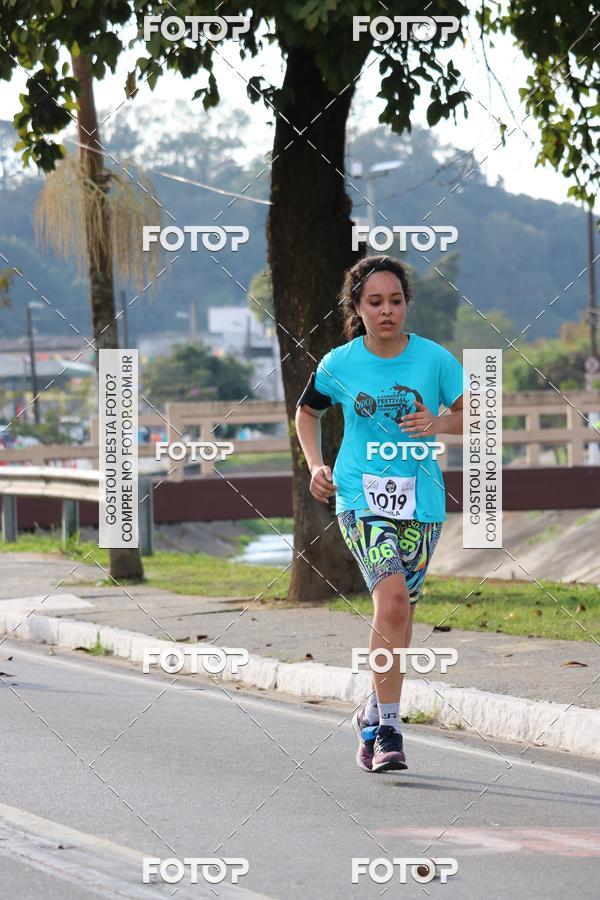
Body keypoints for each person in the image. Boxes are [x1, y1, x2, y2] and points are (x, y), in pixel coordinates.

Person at [295, 255, 463, 773]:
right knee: (390, 596)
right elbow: (307, 411)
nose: (386, 310)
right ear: (358, 308)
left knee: (400, 612)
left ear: (407, 304)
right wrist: (317, 465)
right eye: (375, 302)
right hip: (360, 497)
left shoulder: (435, 360)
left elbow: (477, 415)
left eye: (395, 301)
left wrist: (437, 423)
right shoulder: (339, 363)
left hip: (423, 502)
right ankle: (389, 725)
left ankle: (373, 706)